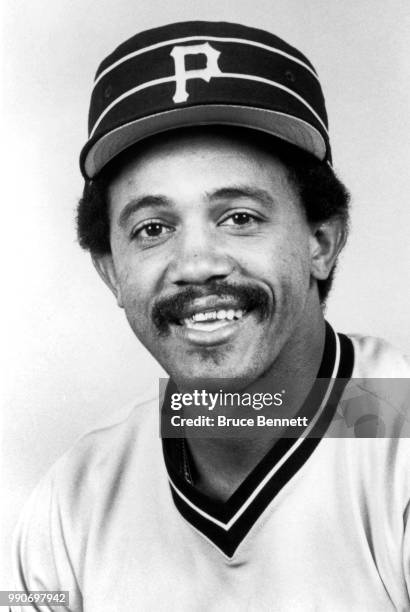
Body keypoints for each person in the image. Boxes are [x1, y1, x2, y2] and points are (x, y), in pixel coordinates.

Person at [12, 21, 410, 611]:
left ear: (320, 242)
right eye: (154, 228)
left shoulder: (391, 433)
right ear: (112, 273)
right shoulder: (74, 498)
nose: (196, 264)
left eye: (240, 217)